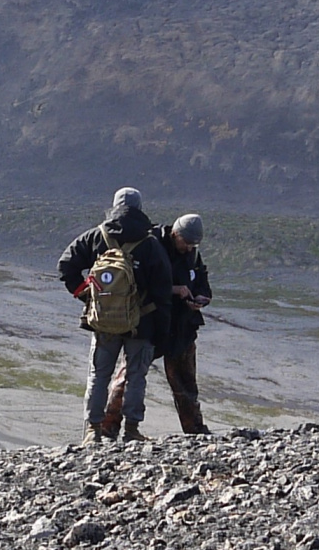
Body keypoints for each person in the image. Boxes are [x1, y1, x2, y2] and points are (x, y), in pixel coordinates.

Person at [57, 186, 172, 444]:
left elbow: (66, 265)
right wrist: (162, 334)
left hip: (103, 322)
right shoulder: (150, 244)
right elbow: (163, 292)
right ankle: (131, 431)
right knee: (135, 377)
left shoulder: (96, 237)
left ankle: (92, 431)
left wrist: (85, 295)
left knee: (99, 376)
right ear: (140, 209)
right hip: (141, 324)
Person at [108, 212, 214, 435]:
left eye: (194, 244)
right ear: (175, 234)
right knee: (129, 376)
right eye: (186, 243)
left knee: (185, 382)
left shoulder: (192, 254)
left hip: (182, 326)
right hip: (152, 323)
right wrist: (175, 290)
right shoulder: (151, 245)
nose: (188, 248)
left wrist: (202, 297)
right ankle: (108, 427)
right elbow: (139, 282)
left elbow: (201, 278)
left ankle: (194, 430)